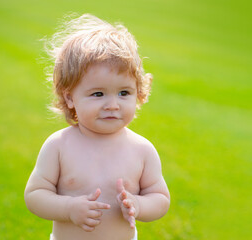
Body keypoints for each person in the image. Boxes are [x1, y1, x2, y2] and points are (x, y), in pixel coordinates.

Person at [24, 13, 170, 240]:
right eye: (98, 94)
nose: (112, 105)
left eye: (124, 93)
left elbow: (160, 198)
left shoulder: (142, 150)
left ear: (138, 92)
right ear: (70, 97)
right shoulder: (59, 146)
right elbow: (35, 195)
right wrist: (68, 209)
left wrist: (139, 205)